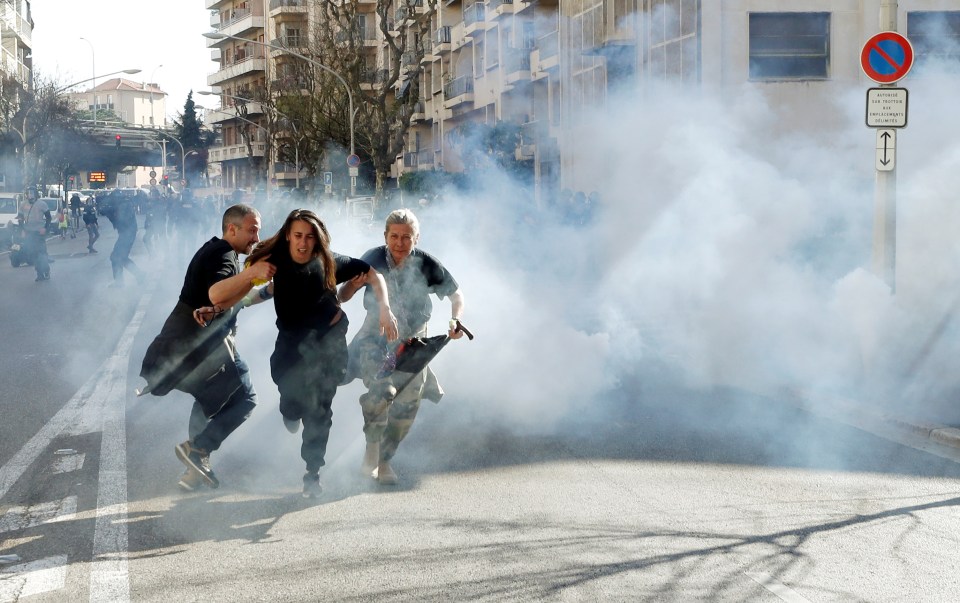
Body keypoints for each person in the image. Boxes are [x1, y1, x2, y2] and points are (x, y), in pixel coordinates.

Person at [242, 208, 398, 498]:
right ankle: (290, 408)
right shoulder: (274, 261)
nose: (303, 243)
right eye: (298, 236)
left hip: (329, 340)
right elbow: (252, 284)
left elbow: (374, 276)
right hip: (291, 343)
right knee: (290, 396)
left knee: (320, 410)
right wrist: (232, 303)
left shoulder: (330, 262)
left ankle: (312, 473)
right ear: (288, 235)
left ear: (317, 239)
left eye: (310, 237)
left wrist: (385, 309)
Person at [139, 204, 276, 491]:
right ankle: (198, 450)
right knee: (246, 399)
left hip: (186, 347)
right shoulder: (222, 255)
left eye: (258, 231)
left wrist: (265, 290)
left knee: (207, 400)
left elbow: (231, 299)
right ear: (231, 229)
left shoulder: (220, 253)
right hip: (200, 349)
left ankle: (194, 469)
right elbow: (218, 292)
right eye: (252, 230)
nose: (255, 237)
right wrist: (253, 274)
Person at [338, 208, 465, 485]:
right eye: (394, 236)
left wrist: (455, 320)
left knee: (407, 406)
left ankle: (385, 460)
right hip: (376, 336)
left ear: (416, 238)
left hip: (414, 341)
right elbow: (343, 295)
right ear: (385, 236)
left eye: (406, 237)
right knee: (381, 392)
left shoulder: (426, 263)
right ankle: (371, 452)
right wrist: (353, 284)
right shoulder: (372, 258)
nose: (399, 243)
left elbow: (457, 294)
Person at [100, 191, 144, 287]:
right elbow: (103, 211)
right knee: (120, 258)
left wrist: (110, 212)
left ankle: (123, 282)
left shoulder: (123, 205)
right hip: (127, 233)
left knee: (116, 257)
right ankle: (138, 277)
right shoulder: (122, 204)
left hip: (128, 234)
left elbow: (121, 220)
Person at [20, 195, 52, 282]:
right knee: (33, 253)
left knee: (42, 252)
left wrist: (45, 228)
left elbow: (49, 217)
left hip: (39, 232)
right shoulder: (23, 204)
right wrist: (22, 229)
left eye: (32, 193)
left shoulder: (42, 204)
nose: (31, 195)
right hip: (29, 232)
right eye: (29, 193)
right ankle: (39, 273)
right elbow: (20, 218)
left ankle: (46, 270)